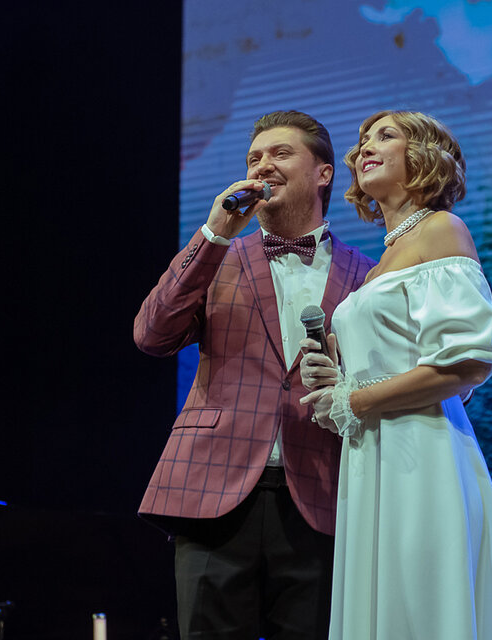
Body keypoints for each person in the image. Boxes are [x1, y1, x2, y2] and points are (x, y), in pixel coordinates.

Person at [299, 111, 492, 640]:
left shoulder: (442, 230)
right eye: (363, 140)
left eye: (385, 136)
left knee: (424, 604)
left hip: (422, 455)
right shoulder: (380, 263)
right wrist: (335, 379)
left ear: (423, 157)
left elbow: (468, 363)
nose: (364, 148)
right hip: (373, 458)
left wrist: (355, 401)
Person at [134, 110, 376, 639]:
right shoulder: (215, 257)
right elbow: (152, 335)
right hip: (213, 493)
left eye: (281, 153)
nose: (262, 165)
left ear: (324, 173)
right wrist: (214, 233)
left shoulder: (368, 275)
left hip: (323, 495)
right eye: (254, 158)